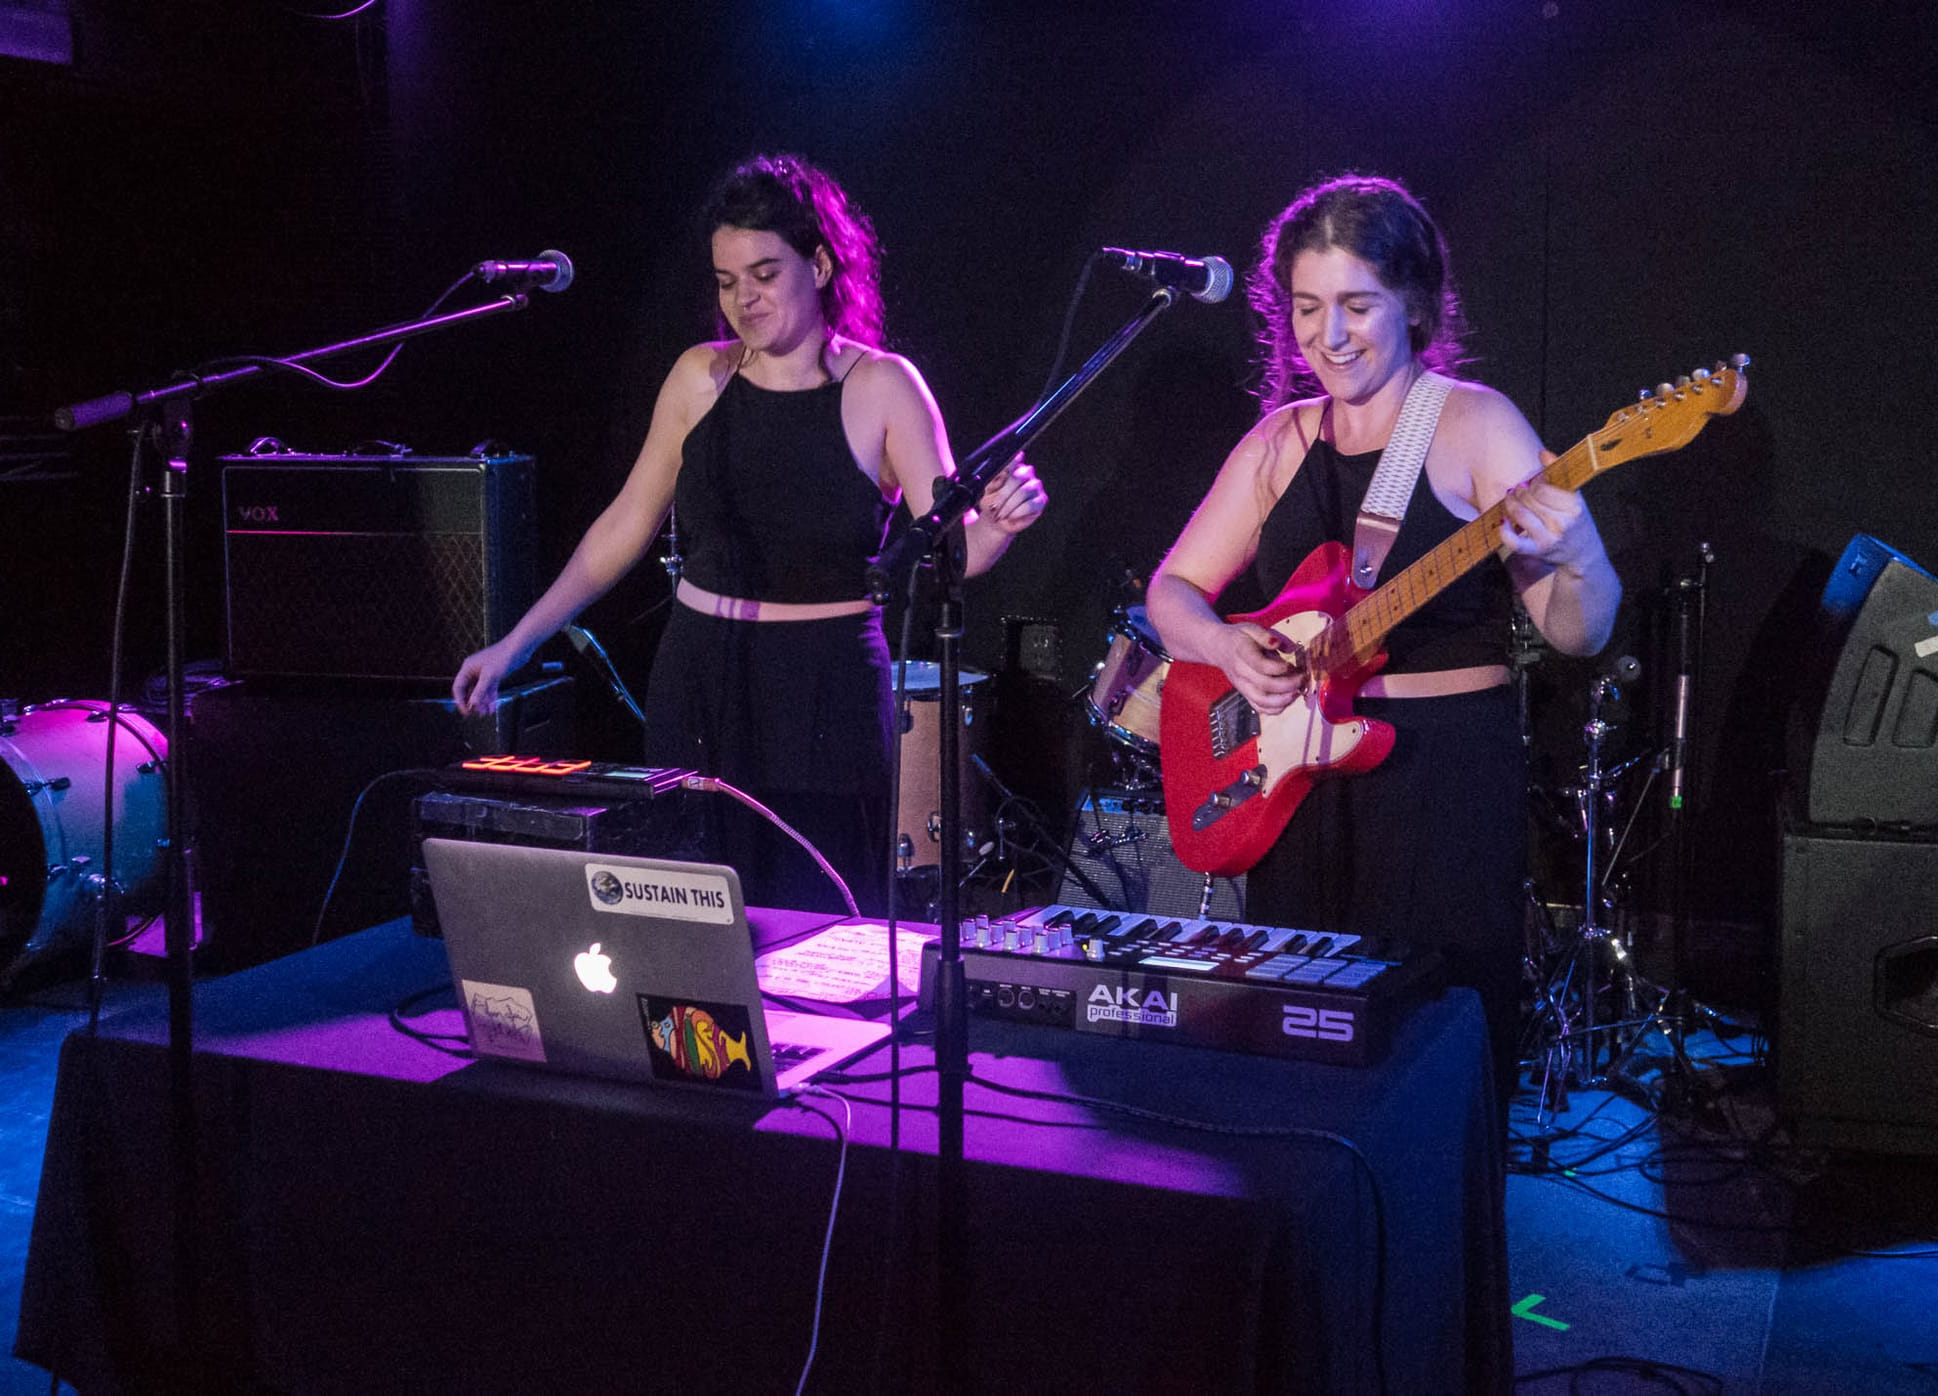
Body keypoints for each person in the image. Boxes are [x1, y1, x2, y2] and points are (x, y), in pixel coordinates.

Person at [453, 153, 1047, 914]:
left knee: (819, 917)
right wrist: (516, 644)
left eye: (765, 274)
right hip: (699, 676)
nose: (745, 301)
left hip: (827, 687)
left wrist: (999, 525)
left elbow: (952, 549)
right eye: (728, 282)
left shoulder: (882, 386)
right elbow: (624, 526)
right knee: (691, 916)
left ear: (822, 264)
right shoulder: (699, 378)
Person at [1144, 173, 1620, 1093]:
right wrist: (1224, 647)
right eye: (1308, 307)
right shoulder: (1280, 440)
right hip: (1300, 782)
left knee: (1436, 1056)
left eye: (1357, 305)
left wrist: (1583, 553)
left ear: (1414, 304)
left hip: (1442, 780)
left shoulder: (1477, 425)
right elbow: (1174, 591)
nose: (1329, 335)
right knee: (1298, 1046)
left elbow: (1575, 634)